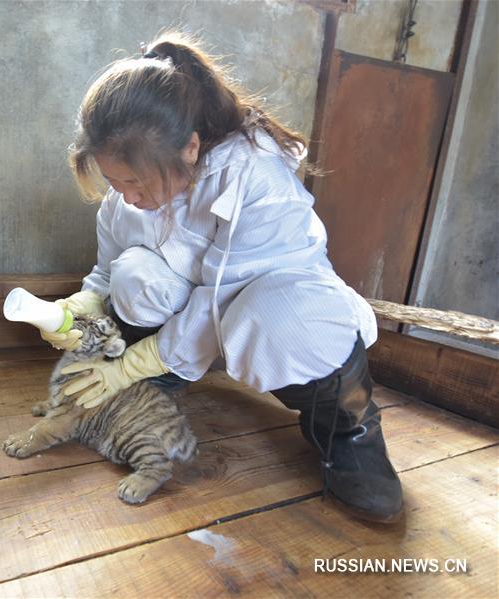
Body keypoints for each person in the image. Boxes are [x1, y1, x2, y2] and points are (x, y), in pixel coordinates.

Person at [41, 32, 403, 523]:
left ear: (190, 148)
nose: (125, 195)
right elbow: (107, 272)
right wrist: (83, 303)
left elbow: (219, 297)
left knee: (280, 319)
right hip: (197, 311)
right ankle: (163, 373)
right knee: (135, 272)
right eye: (114, 181)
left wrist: (127, 366)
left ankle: (348, 429)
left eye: (137, 182)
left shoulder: (254, 178)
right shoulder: (125, 197)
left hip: (271, 299)